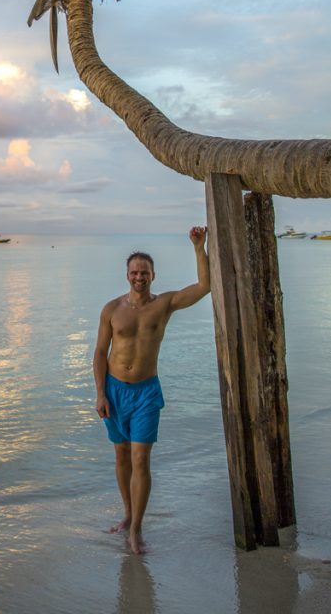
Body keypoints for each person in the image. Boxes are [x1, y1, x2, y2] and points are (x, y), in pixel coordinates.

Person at [93, 227, 210, 554]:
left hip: (146, 392)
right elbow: (100, 353)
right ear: (127, 275)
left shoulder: (165, 304)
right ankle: (128, 515)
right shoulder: (112, 309)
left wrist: (199, 248)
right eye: (134, 272)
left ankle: (137, 531)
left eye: (144, 272)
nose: (139, 277)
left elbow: (205, 286)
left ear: (153, 275)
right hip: (114, 391)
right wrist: (100, 393)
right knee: (121, 455)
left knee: (141, 458)